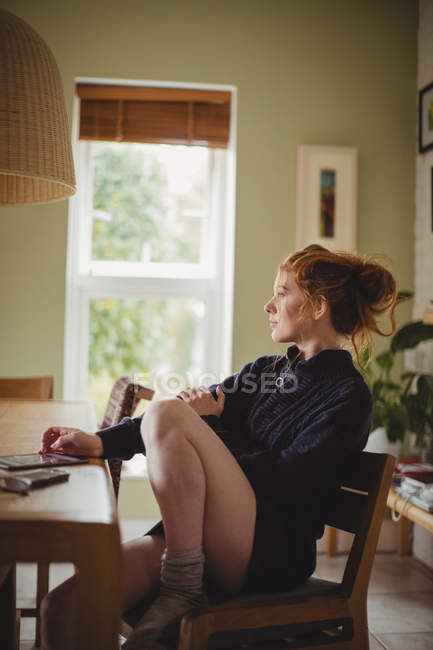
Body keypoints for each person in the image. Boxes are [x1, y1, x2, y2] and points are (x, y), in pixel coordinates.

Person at [39, 244, 398, 650]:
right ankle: (183, 576)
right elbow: (175, 420)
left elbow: (287, 483)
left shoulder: (348, 397)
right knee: (62, 608)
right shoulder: (264, 371)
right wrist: (100, 442)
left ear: (317, 306)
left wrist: (209, 423)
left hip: (268, 551)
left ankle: (181, 587)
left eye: (282, 293)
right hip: (196, 541)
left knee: (168, 413)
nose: (269, 305)